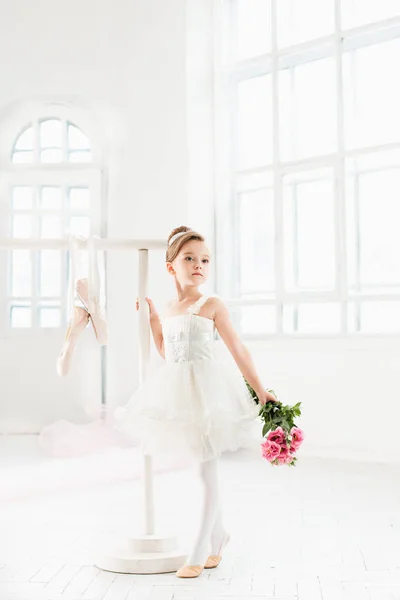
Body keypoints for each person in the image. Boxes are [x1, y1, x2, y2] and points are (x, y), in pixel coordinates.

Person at [113, 225, 278, 579]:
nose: (198, 265)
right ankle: (219, 536)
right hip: (180, 395)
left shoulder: (212, 304)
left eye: (204, 259)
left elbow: (238, 349)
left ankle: (200, 547)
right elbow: (167, 353)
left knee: (206, 470)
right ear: (171, 267)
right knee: (200, 466)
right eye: (189, 258)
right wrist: (155, 319)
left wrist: (261, 390)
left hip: (209, 395)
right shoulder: (172, 309)